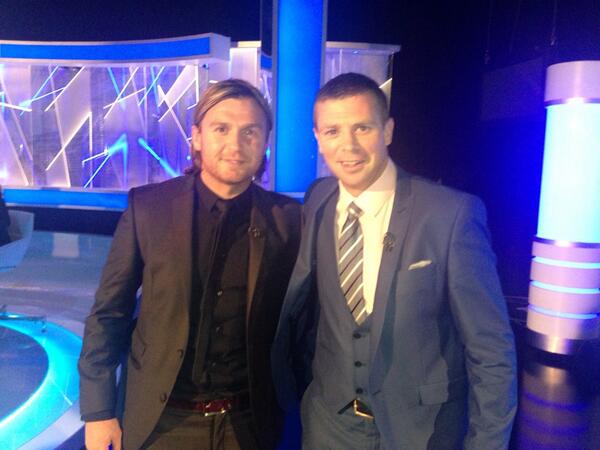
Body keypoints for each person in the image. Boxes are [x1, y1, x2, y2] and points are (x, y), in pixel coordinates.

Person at [272, 73, 517, 449]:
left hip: (420, 431)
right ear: (318, 138)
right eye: (333, 131)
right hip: (328, 426)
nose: (348, 146)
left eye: (362, 128)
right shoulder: (318, 200)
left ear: (387, 131)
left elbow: (491, 350)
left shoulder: (450, 215)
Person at [78, 79, 301, 450]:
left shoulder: (289, 220)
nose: (235, 144)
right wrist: (99, 411)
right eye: (221, 129)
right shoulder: (148, 208)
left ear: (265, 141)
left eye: (250, 131)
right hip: (163, 423)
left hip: (249, 424)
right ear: (197, 137)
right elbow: (108, 313)